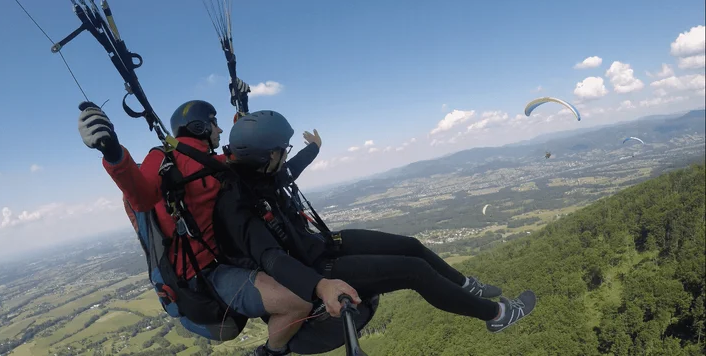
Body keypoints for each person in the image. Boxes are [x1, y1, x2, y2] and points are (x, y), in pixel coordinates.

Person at [217, 110, 537, 354]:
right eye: (280, 150)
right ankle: (497, 314)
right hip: (316, 268)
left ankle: (467, 286)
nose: (285, 154)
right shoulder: (238, 203)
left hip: (323, 245)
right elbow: (270, 258)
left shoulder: (260, 175)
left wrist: (313, 148)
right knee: (414, 271)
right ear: (266, 155)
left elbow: (289, 170)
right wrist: (320, 286)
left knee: (411, 245)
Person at [77, 97, 342, 352]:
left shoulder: (213, 162)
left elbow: (271, 171)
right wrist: (113, 153)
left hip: (228, 257)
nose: (220, 129)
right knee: (297, 301)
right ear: (199, 126)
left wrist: (246, 112)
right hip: (205, 273)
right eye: (214, 123)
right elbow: (143, 197)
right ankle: (271, 352)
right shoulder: (164, 158)